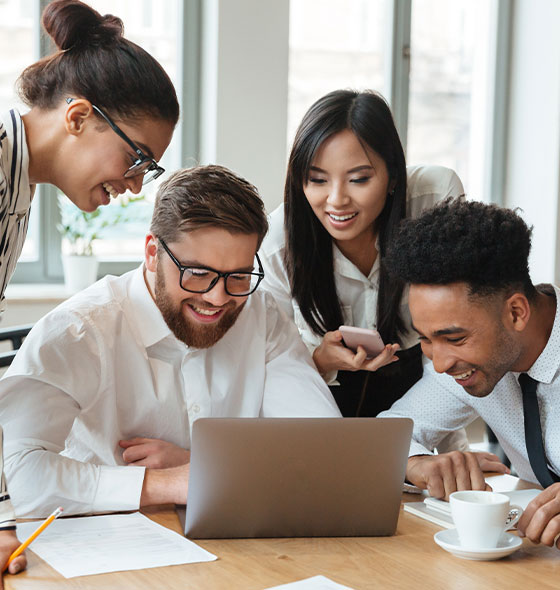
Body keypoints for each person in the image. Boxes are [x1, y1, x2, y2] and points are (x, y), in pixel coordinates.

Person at [0, 164, 341, 519]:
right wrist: (166, 483)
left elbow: (322, 448)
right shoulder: (79, 331)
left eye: (238, 276)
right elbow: (13, 474)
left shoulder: (263, 316)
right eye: (198, 274)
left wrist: (201, 465)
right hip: (103, 548)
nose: (218, 297)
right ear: (151, 253)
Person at [0, 0, 179, 577]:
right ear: (78, 117)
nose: (133, 184)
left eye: (146, 170)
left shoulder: (17, 184)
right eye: (137, 157)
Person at [260, 89, 465, 419]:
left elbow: (457, 330)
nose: (336, 199)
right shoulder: (278, 242)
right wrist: (320, 360)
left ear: (393, 176)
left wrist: (446, 451)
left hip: (422, 385)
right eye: (317, 179)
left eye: (358, 179)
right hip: (320, 398)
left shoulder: (433, 200)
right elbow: (272, 371)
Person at [380, 197, 560, 550]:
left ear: (516, 313)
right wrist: (417, 464)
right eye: (426, 339)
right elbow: (390, 431)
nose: (441, 363)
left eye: (455, 338)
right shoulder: (464, 368)